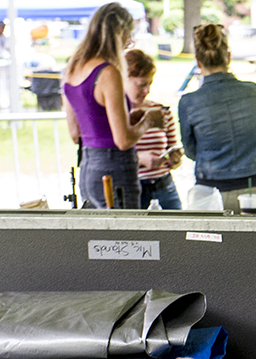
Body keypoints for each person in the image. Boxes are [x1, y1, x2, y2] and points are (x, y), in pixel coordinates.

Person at [63, 3, 164, 209]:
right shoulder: (108, 73)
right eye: (129, 33)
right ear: (119, 31)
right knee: (126, 238)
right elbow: (123, 140)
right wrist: (148, 121)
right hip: (115, 170)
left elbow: (76, 134)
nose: (131, 40)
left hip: (88, 168)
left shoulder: (72, 69)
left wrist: (130, 118)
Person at [178, 23, 256, 213]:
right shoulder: (255, 92)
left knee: (208, 243)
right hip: (255, 189)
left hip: (209, 193)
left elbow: (191, 151)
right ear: (228, 56)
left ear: (198, 61)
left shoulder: (189, 102)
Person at [124, 49, 183, 210]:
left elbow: (172, 148)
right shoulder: (116, 116)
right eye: (141, 84)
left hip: (164, 187)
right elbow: (110, 156)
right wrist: (140, 158)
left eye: (150, 83)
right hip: (132, 189)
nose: (147, 90)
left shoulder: (161, 110)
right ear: (124, 79)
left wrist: (174, 159)